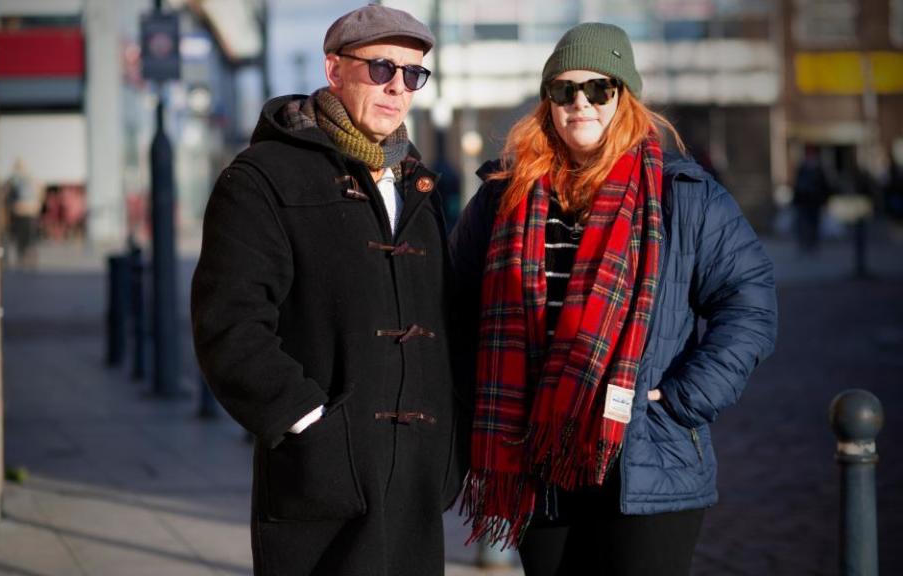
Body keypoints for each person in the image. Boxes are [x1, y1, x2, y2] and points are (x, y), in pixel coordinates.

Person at [450, 23, 778, 576]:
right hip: (538, 458)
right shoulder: (502, 198)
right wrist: (474, 399)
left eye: (599, 88)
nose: (581, 102)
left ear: (625, 97)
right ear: (547, 102)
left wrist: (682, 399)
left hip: (646, 456)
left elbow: (750, 304)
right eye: (563, 90)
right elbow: (456, 307)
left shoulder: (684, 196)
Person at [191, 6, 465, 576]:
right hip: (320, 483)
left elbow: (443, 321)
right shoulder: (263, 177)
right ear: (334, 70)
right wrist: (307, 420)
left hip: (413, 485)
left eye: (414, 74)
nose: (397, 86)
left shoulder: (418, 184)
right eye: (382, 67)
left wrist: (446, 446)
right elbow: (228, 323)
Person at [792, 145, 832, 253]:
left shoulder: (818, 169)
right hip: (804, 202)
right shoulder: (802, 168)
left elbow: (825, 186)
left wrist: (825, 201)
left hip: (815, 202)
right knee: (803, 224)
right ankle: (804, 245)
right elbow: (797, 186)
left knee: (814, 224)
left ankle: (813, 245)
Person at [5, 158, 44, 268]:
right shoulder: (30, 177)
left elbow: (7, 194)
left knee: (21, 236)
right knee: (30, 236)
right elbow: (40, 190)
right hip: (31, 211)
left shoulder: (14, 179)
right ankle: (29, 256)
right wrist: (37, 205)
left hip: (19, 211)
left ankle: (23, 256)